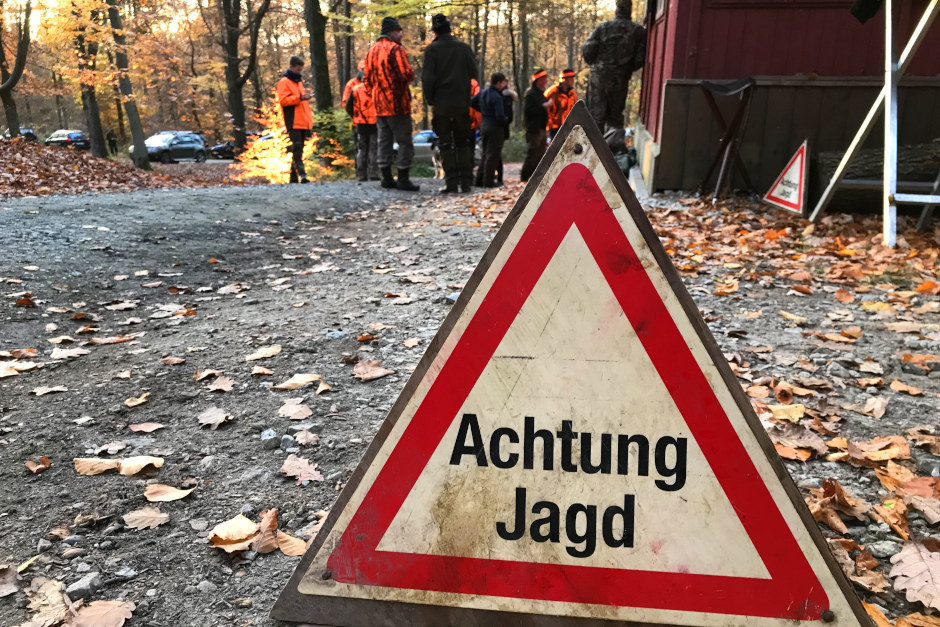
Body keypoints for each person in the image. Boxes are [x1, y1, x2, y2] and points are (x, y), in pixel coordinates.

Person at [422, 13, 478, 193]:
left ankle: (451, 183)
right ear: (449, 29)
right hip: (462, 103)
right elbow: (474, 74)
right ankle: (467, 183)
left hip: (442, 105)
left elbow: (428, 79)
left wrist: (430, 99)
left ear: (435, 32)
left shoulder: (432, 50)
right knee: (463, 142)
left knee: (445, 143)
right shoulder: (463, 48)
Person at [364, 17, 419, 191]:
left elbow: (367, 80)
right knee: (404, 141)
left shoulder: (371, 51)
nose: (401, 33)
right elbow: (407, 74)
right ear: (391, 31)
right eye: (398, 30)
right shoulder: (396, 49)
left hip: (379, 106)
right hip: (397, 104)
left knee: (384, 141)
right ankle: (403, 178)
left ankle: (386, 178)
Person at [581, 0, 646, 145]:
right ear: (629, 9)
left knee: (595, 118)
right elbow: (640, 59)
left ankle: (591, 154)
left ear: (616, 9)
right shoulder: (638, 31)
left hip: (599, 79)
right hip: (620, 80)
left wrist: (599, 65)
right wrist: (624, 70)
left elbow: (588, 51)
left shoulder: (603, 27)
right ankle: (611, 156)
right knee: (615, 120)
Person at [276, 55, 313, 183]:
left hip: (303, 120)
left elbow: (300, 100)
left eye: (300, 70)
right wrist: (300, 97)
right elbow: (283, 101)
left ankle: (293, 177)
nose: (299, 72)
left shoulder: (298, 81)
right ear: (291, 67)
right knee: (297, 148)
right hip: (293, 120)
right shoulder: (284, 81)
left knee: (299, 148)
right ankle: (302, 175)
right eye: (297, 70)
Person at [471, 72, 508, 188]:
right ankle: (488, 181)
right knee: (493, 154)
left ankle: (479, 179)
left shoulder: (482, 92)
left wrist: (482, 110)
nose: (504, 85)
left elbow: (472, 101)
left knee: (485, 153)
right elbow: (500, 116)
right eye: (503, 82)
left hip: (484, 125)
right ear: (498, 83)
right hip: (495, 128)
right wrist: (505, 120)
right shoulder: (497, 97)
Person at [345, 79, 379, 181]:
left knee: (361, 149)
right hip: (375, 123)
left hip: (360, 123)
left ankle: (361, 175)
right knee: (373, 149)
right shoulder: (376, 90)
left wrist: (355, 116)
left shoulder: (355, 89)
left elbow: (348, 106)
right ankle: (374, 174)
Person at [521, 69, 550, 182]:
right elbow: (528, 111)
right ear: (538, 80)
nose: (546, 81)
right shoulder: (530, 94)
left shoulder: (541, 93)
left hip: (542, 128)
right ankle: (524, 177)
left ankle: (534, 178)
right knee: (532, 153)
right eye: (544, 79)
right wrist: (543, 106)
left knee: (540, 155)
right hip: (533, 129)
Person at [544, 69, 578, 141]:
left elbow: (575, 111)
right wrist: (547, 128)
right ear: (564, 80)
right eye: (571, 79)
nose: (573, 81)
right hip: (554, 129)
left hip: (569, 127)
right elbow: (547, 112)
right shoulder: (552, 92)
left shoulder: (573, 94)